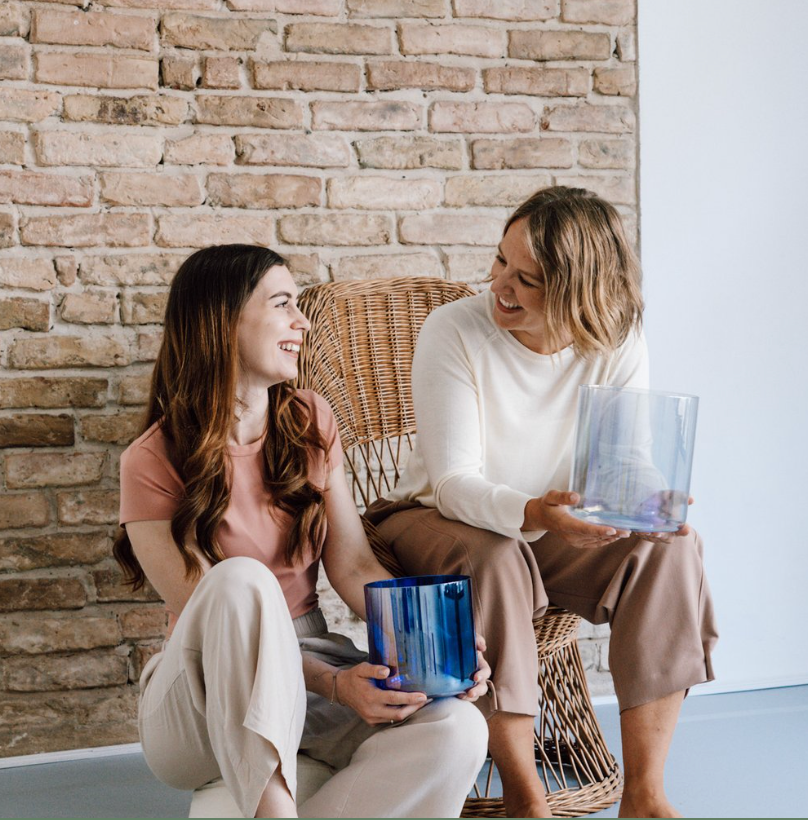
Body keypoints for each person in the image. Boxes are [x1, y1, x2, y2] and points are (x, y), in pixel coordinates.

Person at [365, 187, 719, 819]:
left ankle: (644, 795)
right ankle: (525, 798)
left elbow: (623, 457)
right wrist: (533, 514)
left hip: (552, 528)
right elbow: (451, 482)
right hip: (433, 521)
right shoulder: (456, 331)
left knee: (673, 548)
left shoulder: (616, 335)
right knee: (498, 554)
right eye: (501, 262)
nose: (501, 285)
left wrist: (646, 498)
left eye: (527, 279)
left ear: (579, 292)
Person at [113, 245, 490, 819]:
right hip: (198, 696)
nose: (303, 321)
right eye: (283, 303)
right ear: (222, 321)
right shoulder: (151, 459)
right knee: (242, 582)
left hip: (309, 656)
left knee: (457, 725)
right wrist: (336, 686)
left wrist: (437, 650)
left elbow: (355, 566)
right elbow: (203, 613)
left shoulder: (310, 422)